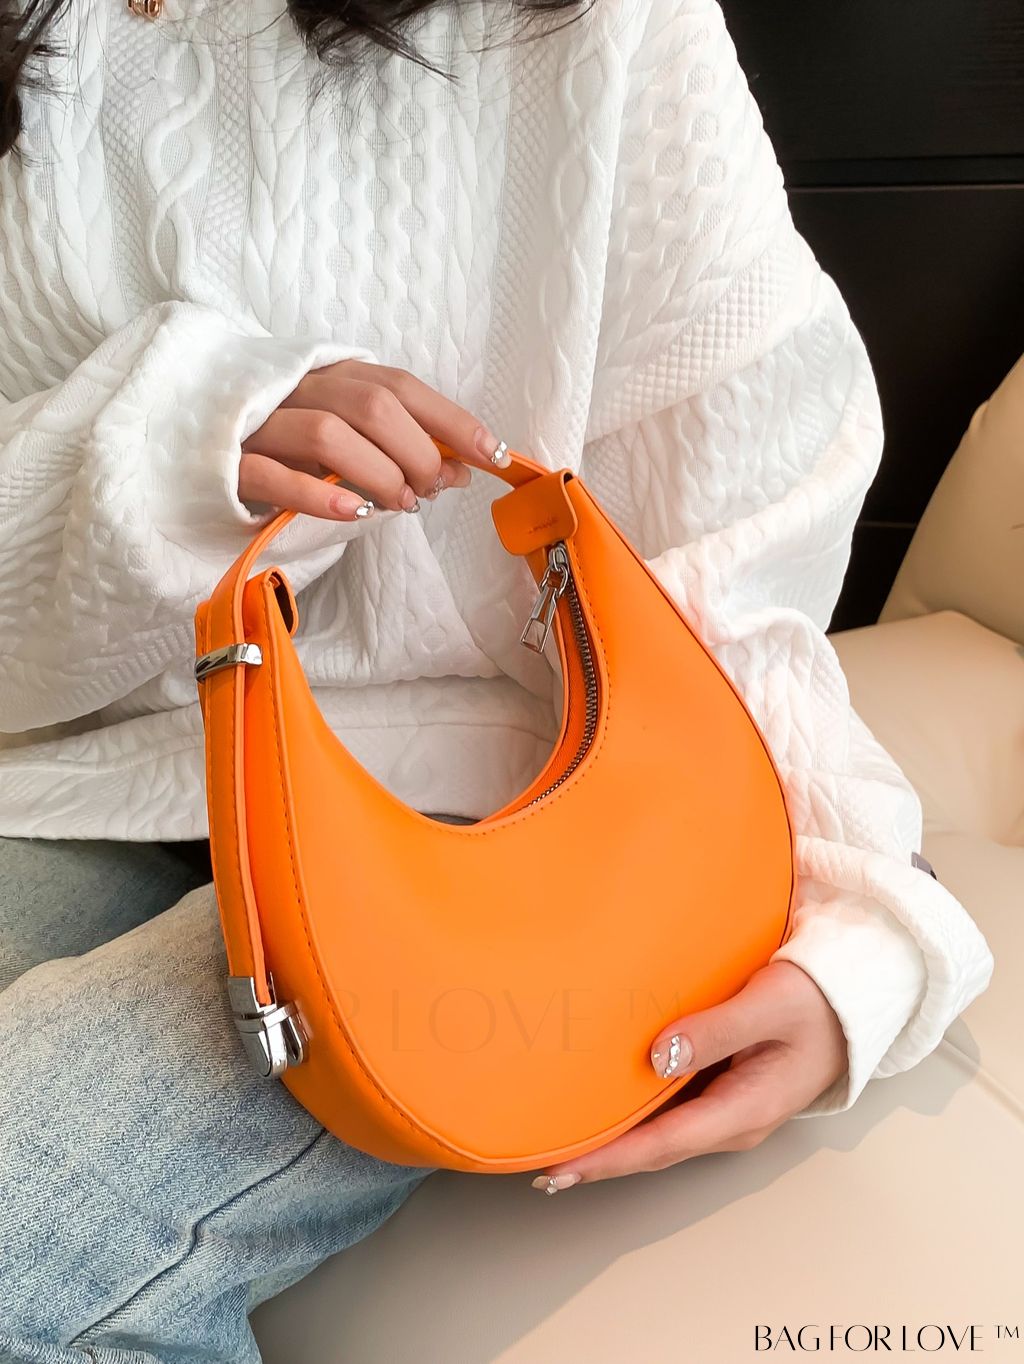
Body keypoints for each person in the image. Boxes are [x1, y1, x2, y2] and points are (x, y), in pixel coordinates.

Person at [0, 0, 994, 1358]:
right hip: (69, 769)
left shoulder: (589, 28)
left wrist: (868, 936)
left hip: (490, 806)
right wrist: (173, 449)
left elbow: (733, 561)